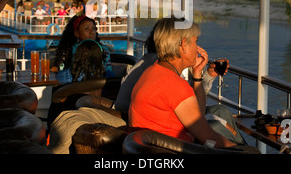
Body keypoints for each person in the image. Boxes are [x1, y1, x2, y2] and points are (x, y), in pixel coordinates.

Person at [116, 19, 245, 145]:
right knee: (219, 131)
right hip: (176, 149)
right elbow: (207, 136)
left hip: (154, 145)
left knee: (220, 113)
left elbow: (197, 115)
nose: (198, 48)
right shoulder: (173, 84)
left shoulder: (154, 70)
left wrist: (197, 73)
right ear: (183, 45)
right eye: (195, 42)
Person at [54, 14, 114, 83]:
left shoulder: (104, 50)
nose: (91, 32)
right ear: (76, 33)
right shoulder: (69, 50)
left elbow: (108, 72)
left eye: (94, 28)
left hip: (94, 87)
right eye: (86, 29)